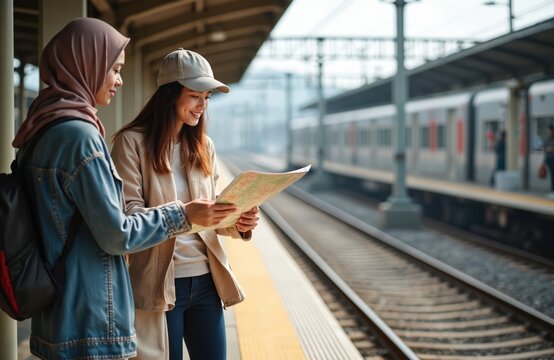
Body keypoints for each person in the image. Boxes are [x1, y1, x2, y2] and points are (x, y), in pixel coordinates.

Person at [11, 19, 236, 360]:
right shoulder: (82, 137)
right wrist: (183, 213)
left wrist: (235, 219)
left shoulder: (40, 128)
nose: (119, 80)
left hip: (61, 302)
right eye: (114, 69)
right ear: (88, 64)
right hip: (93, 304)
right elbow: (118, 231)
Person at [111, 48, 259, 360]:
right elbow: (128, 216)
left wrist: (238, 223)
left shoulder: (204, 145)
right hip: (159, 284)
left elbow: (212, 214)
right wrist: (184, 214)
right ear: (170, 95)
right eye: (195, 96)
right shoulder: (131, 143)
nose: (203, 106)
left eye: (207, 98)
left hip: (207, 282)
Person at [542, 125, 554, 196]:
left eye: (550, 131)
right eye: (548, 131)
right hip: (548, 159)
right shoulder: (546, 139)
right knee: (548, 175)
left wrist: (550, 149)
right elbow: (544, 148)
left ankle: (552, 190)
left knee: (553, 175)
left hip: (553, 159)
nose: (549, 132)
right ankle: (551, 190)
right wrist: (550, 149)